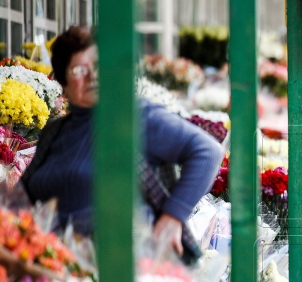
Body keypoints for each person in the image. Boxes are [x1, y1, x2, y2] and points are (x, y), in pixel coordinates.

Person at [21, 26, 223, 261]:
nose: (92, 76)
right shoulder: (55, 132)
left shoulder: (137, 117)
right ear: (64, 82)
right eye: (79, 69)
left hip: (121, 268)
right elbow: (23, 195)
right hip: (53, 264)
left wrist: (173, 217)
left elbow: (208, 152)